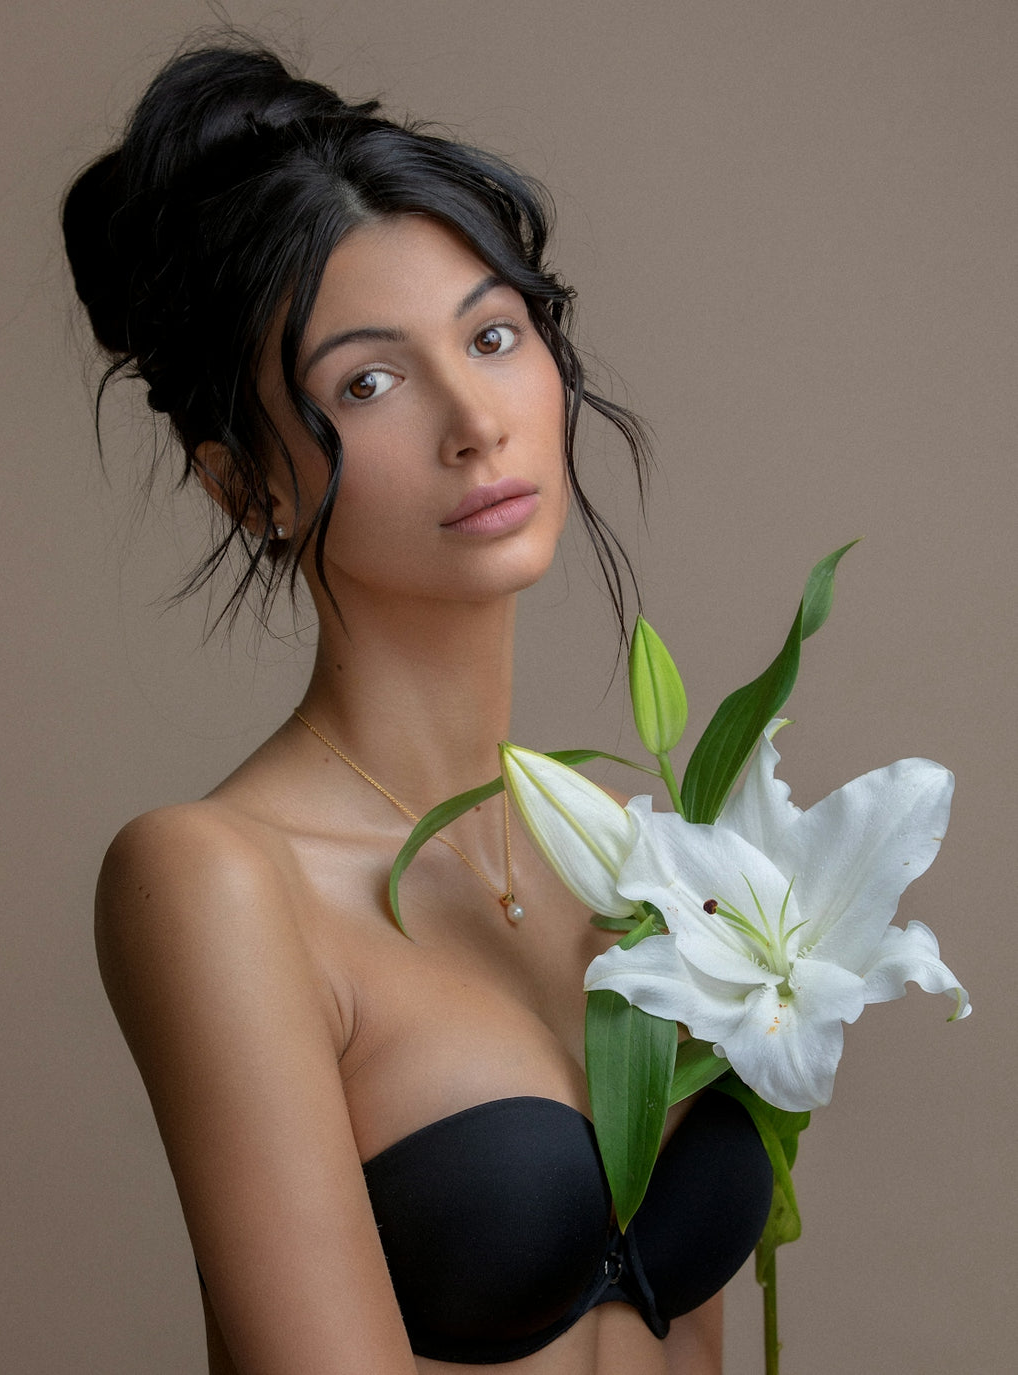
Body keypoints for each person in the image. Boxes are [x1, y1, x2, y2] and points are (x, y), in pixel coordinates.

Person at [64, 40, 773, 1375]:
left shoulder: (640, 851)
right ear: (241, 485)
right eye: (368, 383)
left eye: (496, 336)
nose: (475, 420)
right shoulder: (217, 880)